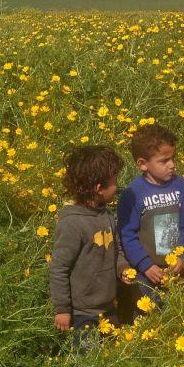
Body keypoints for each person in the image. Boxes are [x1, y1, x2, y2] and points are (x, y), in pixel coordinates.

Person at [48, 143, 122, 351]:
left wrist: (123, 268)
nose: (117, 187)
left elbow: (117, 249)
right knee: (87, 365)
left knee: (111, 358)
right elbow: (59, 268)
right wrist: (62, 309)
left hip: (108, 307)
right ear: (99, 189)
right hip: (83, 314)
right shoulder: (72, 223)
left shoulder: (106, 215)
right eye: (114, 182)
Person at [114, 122, 184, 303]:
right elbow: (127, 235)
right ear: (143, 164)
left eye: (172, 158)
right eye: (164, 161)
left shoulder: (182, 187)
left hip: (179, 268)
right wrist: (144, 264)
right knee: (148, 317)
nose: (172, 165)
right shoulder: (133, 193)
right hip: (147, 272)